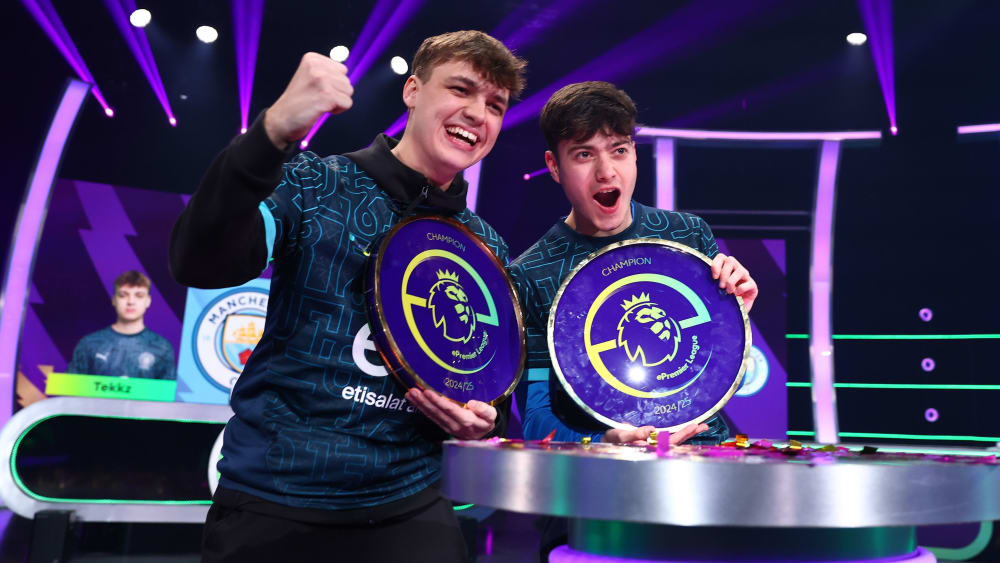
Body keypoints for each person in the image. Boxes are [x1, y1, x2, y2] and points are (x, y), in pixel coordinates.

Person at [169, 31, 526, 562]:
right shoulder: (315, 184)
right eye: (461, 89)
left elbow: (488, 390)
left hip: (410, 507)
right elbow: (200, 260)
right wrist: (270, 133)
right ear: (412, 90)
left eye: (495, 105)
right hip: (274, 503)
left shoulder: (485, 247)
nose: (478, 113)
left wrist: (483, 422)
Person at [510, 80, 759, 561]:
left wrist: (737, 315)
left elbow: (719, 369)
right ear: (554, 167)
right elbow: (537, 421)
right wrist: (606, 441)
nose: (606, 171)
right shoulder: (530, 275)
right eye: (584, 155)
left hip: (704, 468)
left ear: (635, 156)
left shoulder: (685, 236)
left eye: (619, 150)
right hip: (601, 487)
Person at [67, 270, 175, 380]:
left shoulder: (162, 347)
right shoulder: (89, 344)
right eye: (123, 295)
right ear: (114, 300)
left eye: (139, 296)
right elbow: (71, 387)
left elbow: (170, 390)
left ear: (148, 301)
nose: (131, 302)